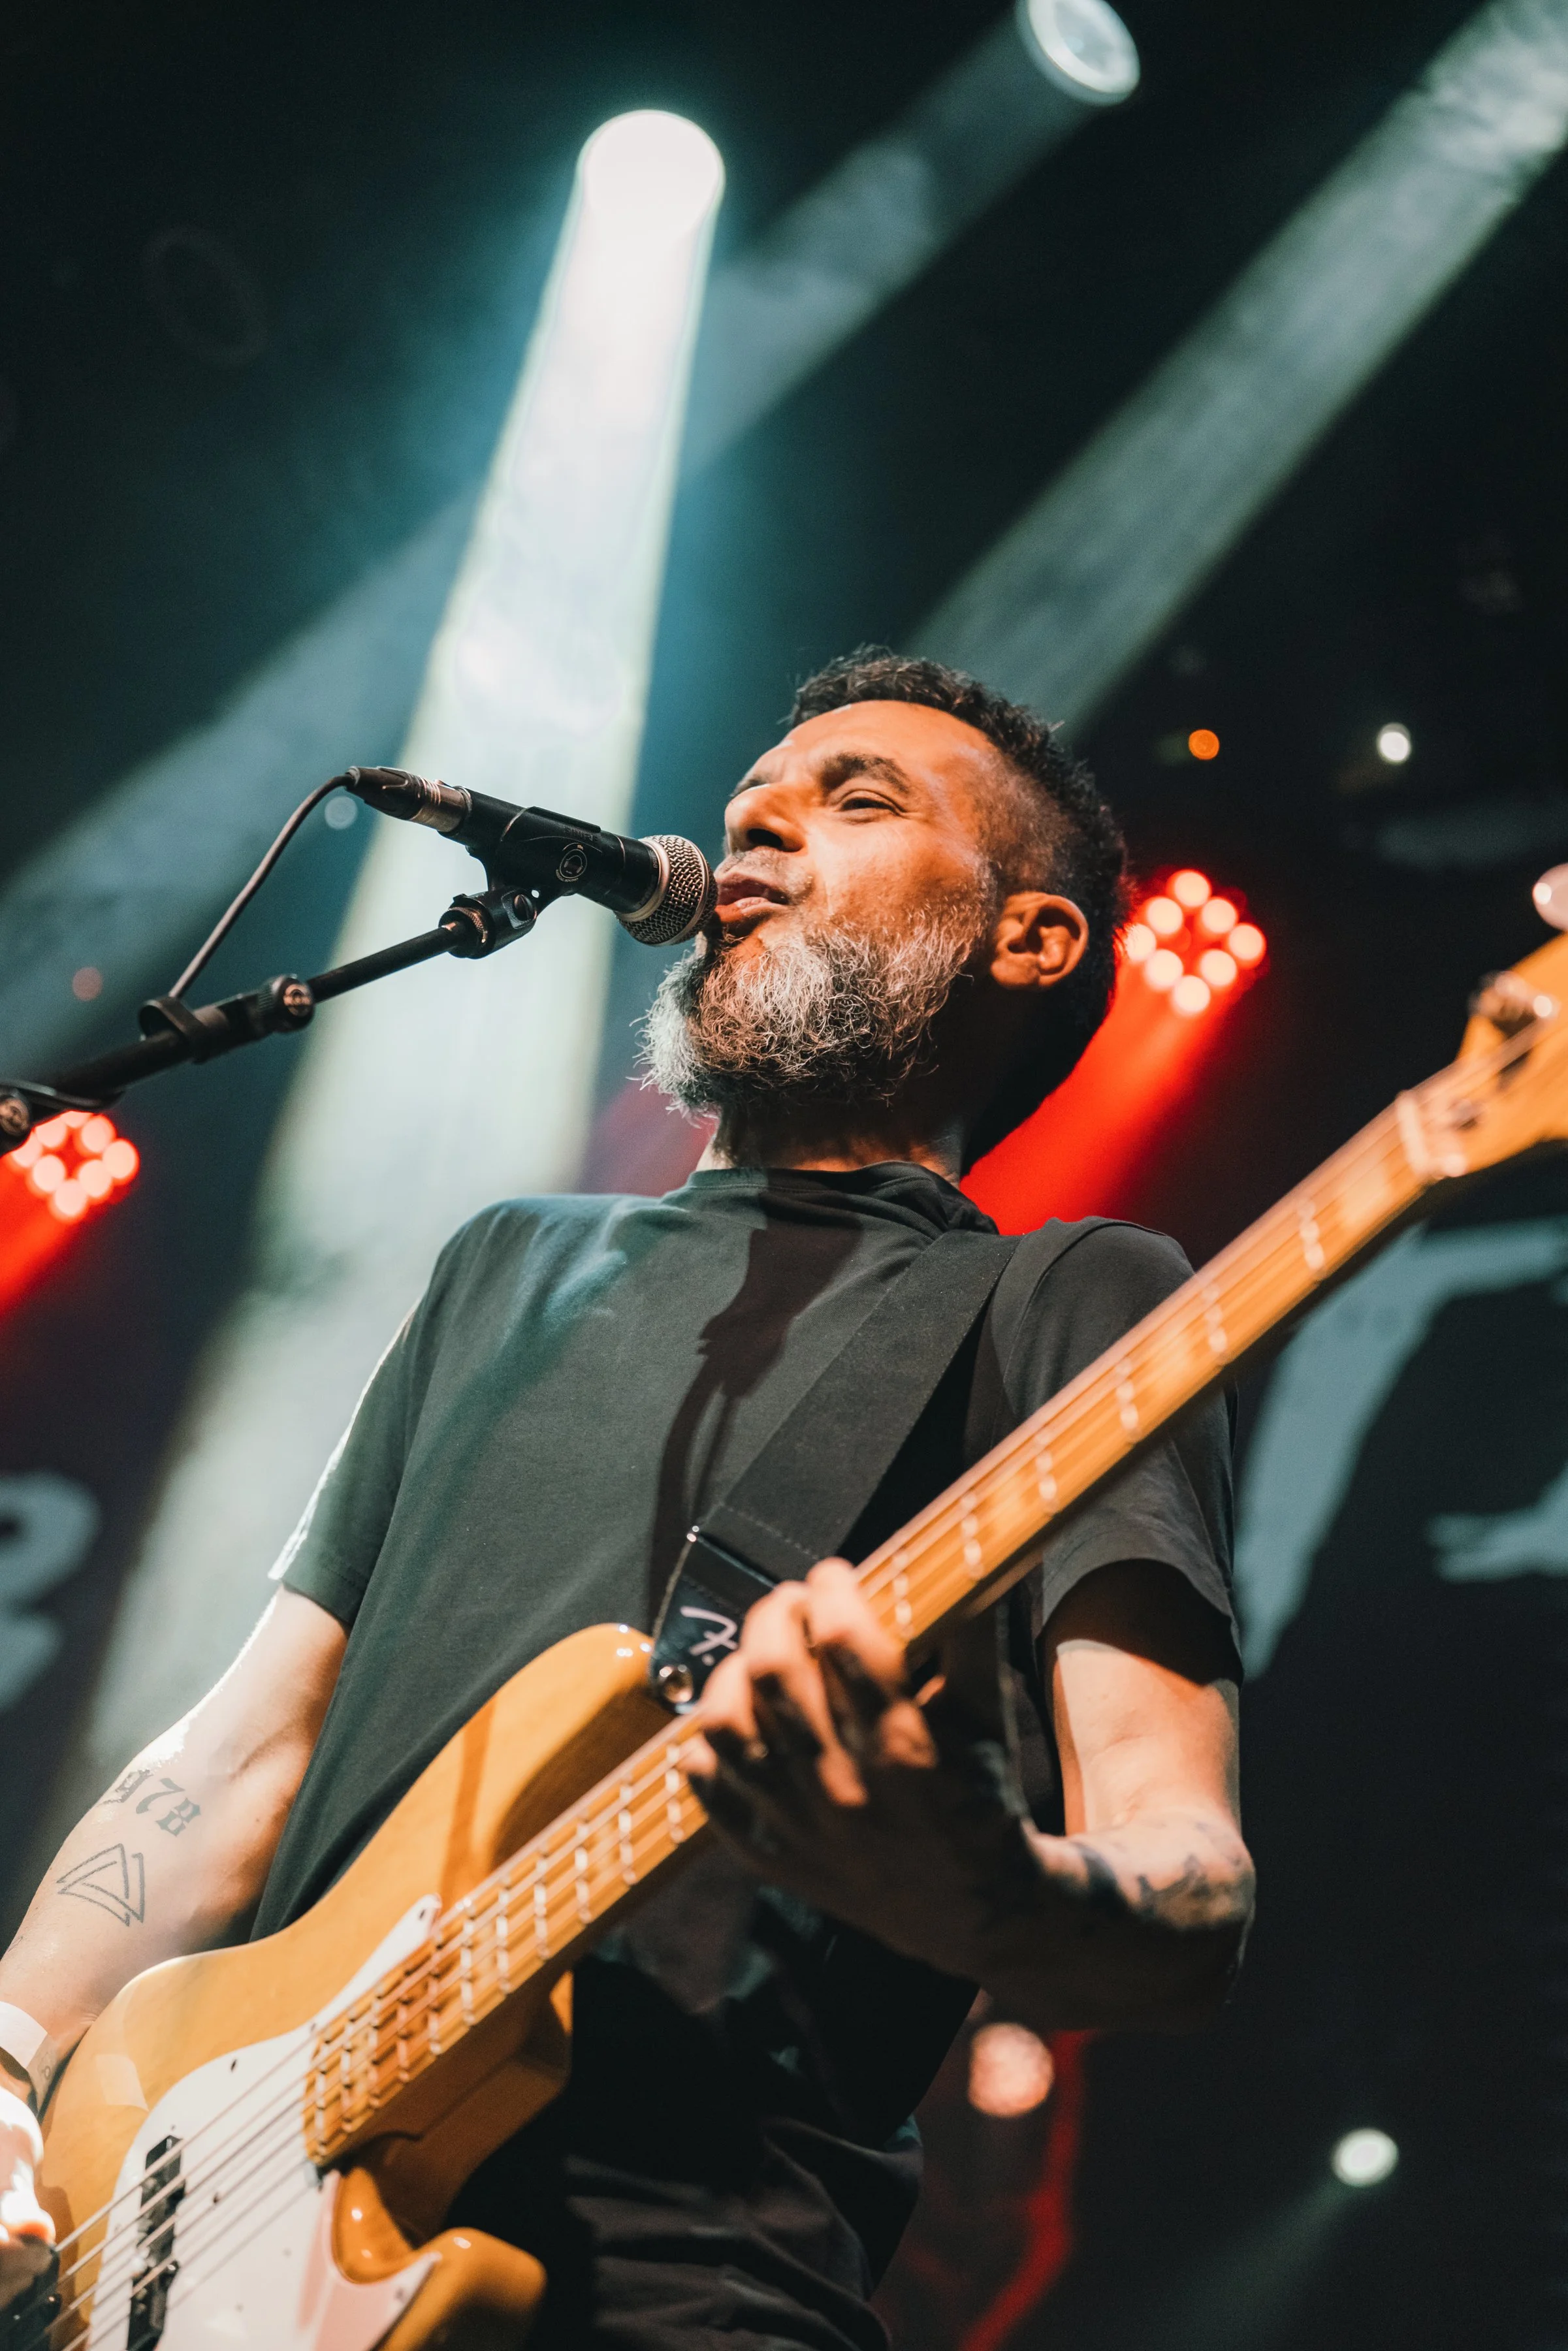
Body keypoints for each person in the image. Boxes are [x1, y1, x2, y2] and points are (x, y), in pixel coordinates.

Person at [0, 653, 1253, 2351]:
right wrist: (13, 2050)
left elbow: (1184, 1883)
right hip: (230, 2249)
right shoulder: (510, 1264)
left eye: (857, 798)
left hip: (683, 2284)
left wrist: (976, 1883)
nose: (756, 828)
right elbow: (240, 1753)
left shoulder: (1072, 1300)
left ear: (1030, 938)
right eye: (753, 804)